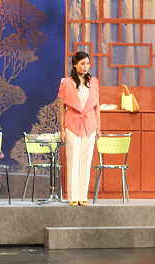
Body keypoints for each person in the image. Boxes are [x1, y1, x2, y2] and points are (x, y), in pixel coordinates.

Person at [58, 51, 101, 206]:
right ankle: (73, 196)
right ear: (75, 64)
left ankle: (83, 196)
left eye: (87, 63)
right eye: (82, 63)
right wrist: (62, 129)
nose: (85, 66)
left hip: (89, 124)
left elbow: (96, 107)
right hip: (72, 124)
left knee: (86, 161)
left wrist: (98, 128)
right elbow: (61, 108)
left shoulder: (94, 82)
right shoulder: (66, 83)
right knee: (73, 161)